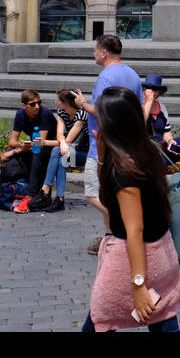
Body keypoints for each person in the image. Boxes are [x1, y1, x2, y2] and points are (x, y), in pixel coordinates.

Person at [84, 87, 180, 332]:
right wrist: (102, 156)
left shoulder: (123, 170)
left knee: (99, 322)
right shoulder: (146, 151)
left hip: (131, 261)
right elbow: (110, 201)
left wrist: (138, 286)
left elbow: (134, 230)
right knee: (163, 319)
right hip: (162, 254)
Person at [80, 35, 143, 254]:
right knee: (113, 191)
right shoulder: (133, 74)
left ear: (104, 53)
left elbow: (100, 110)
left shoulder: (105, 77)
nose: (94, 54)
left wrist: (81, 103)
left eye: (96, 50)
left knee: (92, 193)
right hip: (126, 144)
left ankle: (120, 226)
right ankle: (111, 236)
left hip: (102, 145)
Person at [10, 90, 60, 213]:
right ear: (24, 106)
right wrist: (19, 146)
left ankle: (30, 196)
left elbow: (41, 143)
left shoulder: (45, 113)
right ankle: (2, 193)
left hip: (51, 148)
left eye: (39, 103)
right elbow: (12, 141)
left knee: (37, 154)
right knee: (9, 153)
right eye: (33, 104)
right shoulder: (20, 114)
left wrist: (20, 148)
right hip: (35, 146)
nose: (37, 106)